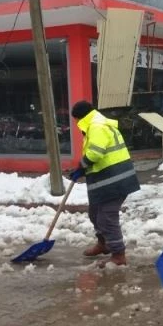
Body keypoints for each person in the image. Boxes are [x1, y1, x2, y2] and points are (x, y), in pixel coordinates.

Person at [69, 100, 140, 267]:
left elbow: (95, 153)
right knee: (95, 213)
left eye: (76, 120)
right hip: (105, 180)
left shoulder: (97, 126)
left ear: (80, 118)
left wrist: (82, 165)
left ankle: (118, 254)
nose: (77, 124)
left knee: (107, 217)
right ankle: (104, 244)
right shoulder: (95, 124)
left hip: (115, 180)